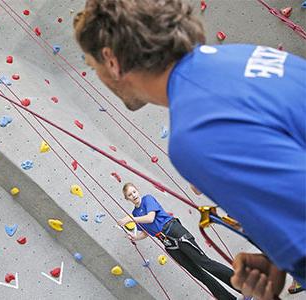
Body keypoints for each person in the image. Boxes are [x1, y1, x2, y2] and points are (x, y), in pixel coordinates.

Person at [73, 1, 306, 299]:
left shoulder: (194, 133)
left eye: (94, 68)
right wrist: (277, 256)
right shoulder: (241, 55)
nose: (100, 78)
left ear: (111, 60)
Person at [117, 183, 237, 300]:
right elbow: (145, 232)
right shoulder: (135, 214)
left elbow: (150, 218)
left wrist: (130, 219)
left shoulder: (147, 199)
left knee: (204, 262)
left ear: (137, 191)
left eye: (134, 191)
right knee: (197, 273)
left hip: (174, 231)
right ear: (127, 199)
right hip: (166, 242)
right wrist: (135, 237)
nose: (133, 195)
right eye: (129, 195)